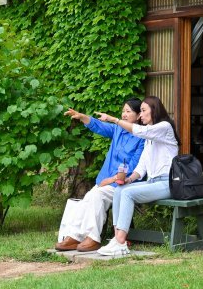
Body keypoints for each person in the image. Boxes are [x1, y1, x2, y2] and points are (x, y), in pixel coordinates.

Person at [54, 99, 145, 253]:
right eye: (123, 110)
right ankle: (75, 236)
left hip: (125, 183)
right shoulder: (118, 130)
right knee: (89, 197)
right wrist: (82, 116)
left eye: (128, 111)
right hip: (106, 181)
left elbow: (135, 166)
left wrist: (110, 180)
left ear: (138, 116)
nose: (124, 114)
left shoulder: (142, 137)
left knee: (96, 195)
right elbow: (100, 126)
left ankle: (93, 238)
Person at [95, 95, 179, 258]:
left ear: (153, 110)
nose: (140, 115)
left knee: (127, 193)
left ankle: (120, 242)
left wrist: (115, 120)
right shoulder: (149, 140)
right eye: (139, 111)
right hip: (153, 182)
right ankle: (117, 239)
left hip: (167, 183)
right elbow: (142, 167)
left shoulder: (165, 127)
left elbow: (141, 130)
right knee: (121, 189)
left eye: (143, 111)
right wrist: (129, 179)